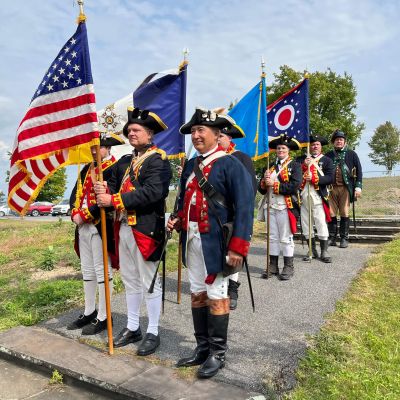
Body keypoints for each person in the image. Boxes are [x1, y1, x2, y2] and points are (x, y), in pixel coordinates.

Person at [167, 107, 254, 379]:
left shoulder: (231, 164)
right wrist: (178, 219)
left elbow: (245, 207)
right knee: (197, 292)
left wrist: (238, 246)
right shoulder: (192, 166)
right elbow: (185, 200)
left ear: (217, 134)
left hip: (216, 243)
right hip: (191, 239)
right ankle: (202, 347)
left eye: (200, 130)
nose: (195, 135)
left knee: (217, 293)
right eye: (192, 131)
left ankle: (218, 353)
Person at [95, 107, 172, 356]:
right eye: (129, 130)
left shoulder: (158, 161)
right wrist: (104, 186)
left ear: (150, 133)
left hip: (146, 229)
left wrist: (114, 200)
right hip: (124, 228)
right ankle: (132, 326)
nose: (131, 133)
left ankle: (153, 331)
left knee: (149, 282)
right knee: (129, 280)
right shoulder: (126, 161)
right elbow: (112, 181)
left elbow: (153, 192)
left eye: (136, 130)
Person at [67, 132, 125, 335]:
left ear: (108, 148)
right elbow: (75, 194)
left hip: (102, 227)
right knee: (88, 270)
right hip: (82, 227)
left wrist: (85, 214)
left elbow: (113, 198)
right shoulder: (85, 169)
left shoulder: (116, 168)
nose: (94, 150)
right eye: (92, 147)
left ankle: (104, 315)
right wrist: (74, 212)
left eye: (98, 146)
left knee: (103, 271)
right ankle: (89, 310)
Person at [217, 122, 257, 310]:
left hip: (233, 213)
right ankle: (218, 286)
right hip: (216, 214)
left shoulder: (241, 157)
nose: (218, 140)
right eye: (216, 136)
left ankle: (232, 289)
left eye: (222, 137)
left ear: (230, 138)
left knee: (233, 251)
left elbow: (249, 189)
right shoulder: (212, 158)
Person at [258, 134, 302, 280]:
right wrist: (263, 183)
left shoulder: (294, 166)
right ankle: (273, 265)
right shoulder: (269, 166)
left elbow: (294, 185)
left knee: (285, 237)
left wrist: (274, 185)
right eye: (278, 148)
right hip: (270, 206)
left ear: (288, 150)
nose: (280, 150)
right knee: (272, 237)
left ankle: (289, 266)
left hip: (285, 206)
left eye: (283, 148)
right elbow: (262, 189)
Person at [296, 135, 335, 263]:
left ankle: (324, 251)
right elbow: (294, 176)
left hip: (318, 195)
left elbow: (330, 178)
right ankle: (312, 250)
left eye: (317, 144)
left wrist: (314, 178)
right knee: (306, 225)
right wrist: (303, 166)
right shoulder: (301, 159)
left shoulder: (327, 160)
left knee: (320, 223)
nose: (315, 146)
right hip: (303, 195)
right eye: (312, 144)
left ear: (321, 146)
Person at [325, 129, 362, 248]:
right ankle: (332, 237)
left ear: (345, 141)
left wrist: (358, 187)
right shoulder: (328, 155)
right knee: (331, 213)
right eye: (336, 140)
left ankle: (344, 238)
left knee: (344, 212)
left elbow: (359, 171)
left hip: (346, 188)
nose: (339, 141)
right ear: (333, 142)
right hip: (331, 189)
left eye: (341, 140)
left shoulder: (352, 154)